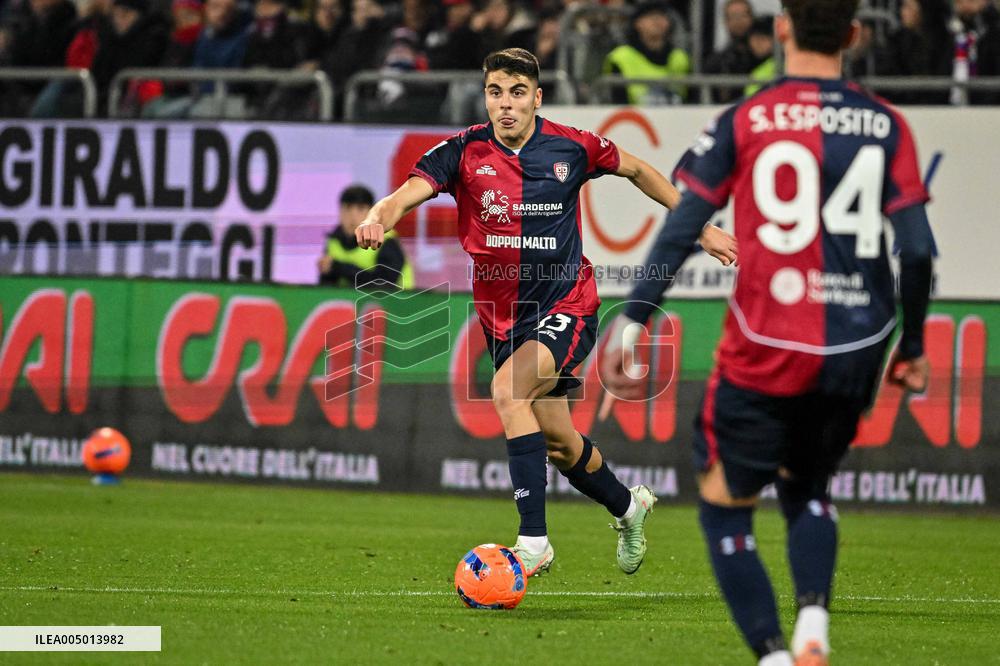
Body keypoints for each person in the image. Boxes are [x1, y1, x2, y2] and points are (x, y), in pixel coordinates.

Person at [602, 2, 934, 664]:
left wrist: (635, 317)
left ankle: (777, 657)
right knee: (807, 486)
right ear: (854, 35)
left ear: (781, 30)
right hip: (855, 348)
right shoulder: (887, 125)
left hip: (766, 344)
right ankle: (813, 623)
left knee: (726, 506)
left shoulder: (746, 118)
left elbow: (682, 222)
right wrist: (915, 345)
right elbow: (919, 250)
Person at [353, 48, 737, 577]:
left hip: (566, 303)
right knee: (557, 439)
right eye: (495, 92)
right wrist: (378, 218)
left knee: (509, 392)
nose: (505, 105)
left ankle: (534, 541)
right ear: (485, 96)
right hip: (501, 316)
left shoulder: (572, 146)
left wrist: (702, 227)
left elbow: (639, 170)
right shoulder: (463, 152)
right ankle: (629, 507)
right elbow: (401, 197)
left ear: (536, 97)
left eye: (516, 93)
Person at [319, 184, 412, 290]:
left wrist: (338, 268)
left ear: (372, 211)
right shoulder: (333, 242)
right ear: (340, 211)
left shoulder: (385, 239)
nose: (353, 216)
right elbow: (326, 287)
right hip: (349, 303)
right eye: (348, 208)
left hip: (398, 303)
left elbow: (384, 284)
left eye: (360, 209)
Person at [602, 1, 691, 105]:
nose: (657, 21)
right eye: (651, 17)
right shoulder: (621, 57)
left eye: (662, 16)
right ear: (637, 23)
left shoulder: (680, 58)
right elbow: (616, 102)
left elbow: (692, 100)